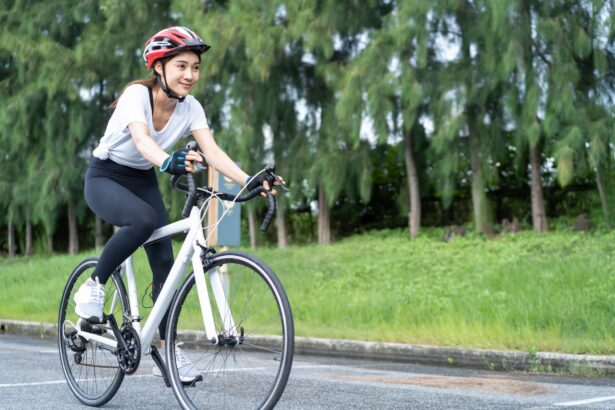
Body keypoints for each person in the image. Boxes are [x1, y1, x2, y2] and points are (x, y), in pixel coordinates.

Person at [73, 26, 282, 382]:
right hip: (105, 176)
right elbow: (141, 140)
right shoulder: (136, 95)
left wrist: (251, 180)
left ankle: (168, 349)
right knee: (143, 220)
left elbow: (213, 152)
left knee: (165, 264)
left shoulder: (191, 108)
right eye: (181, 66)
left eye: (195, 67)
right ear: (159, 67)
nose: (190, 75)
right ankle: (93, 284)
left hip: (142, 178)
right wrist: (168, 160)